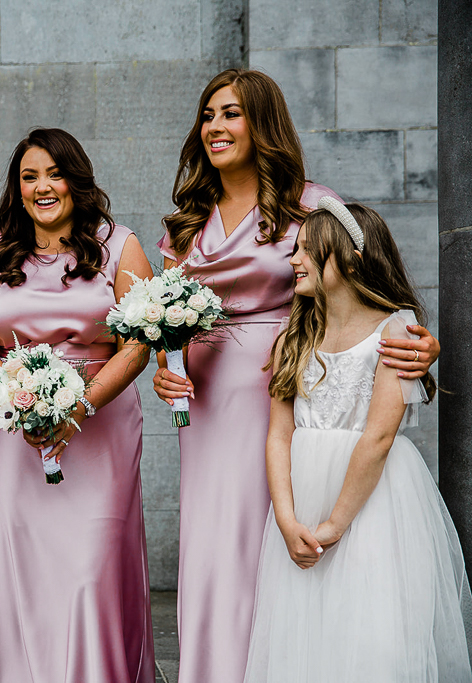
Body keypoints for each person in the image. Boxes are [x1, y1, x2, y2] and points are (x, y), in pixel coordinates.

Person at [151, 69, 441, 683]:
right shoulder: (187, 221)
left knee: (277, 538)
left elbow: (370, 289)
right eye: (208, 115)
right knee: (214, 543)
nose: (216, 127)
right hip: (204, 405)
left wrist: (421, 344)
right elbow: (163, 319)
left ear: (262, 124)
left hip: (282, 387)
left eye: (231, 114)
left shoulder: (310, 205)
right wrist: (163, 369)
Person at [244, 199, 471, 681]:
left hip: (371, 501)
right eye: (294, 250)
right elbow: (279, 434)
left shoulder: (394, 329)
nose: (294, 260)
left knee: (372, 629)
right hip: (303, 496)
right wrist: (287, 520)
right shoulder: (293, 337)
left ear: (348, 258)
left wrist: (334, 525)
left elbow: (379, 436)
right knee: (306, 631)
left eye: (307, 250)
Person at [0, 127, 155, 682]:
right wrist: (21, 395)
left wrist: (77, 406)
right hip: (19, 429)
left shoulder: (121, 246)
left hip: (101, 425)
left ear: (77, 180)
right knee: (31, 569)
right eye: (29, 177)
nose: (42, 187)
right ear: (16, 188)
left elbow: (138, 343)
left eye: (54, 173)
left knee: (91, 569)